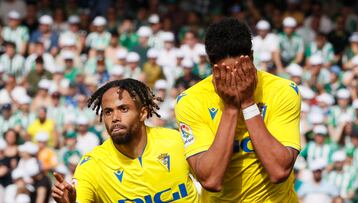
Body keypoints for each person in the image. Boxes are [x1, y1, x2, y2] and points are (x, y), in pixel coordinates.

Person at [174, 18, 301, 202]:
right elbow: (211, 180)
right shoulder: (190, 101)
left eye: (240, 70)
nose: (234, 81)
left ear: (251, 57)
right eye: (226, 73)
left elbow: (279, 171)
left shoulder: (283, 91)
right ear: (212, 66)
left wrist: (248, 103)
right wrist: (231, 108)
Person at [52, 79, 199, 203]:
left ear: (143, 113)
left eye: (123, 109)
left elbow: (213, 180)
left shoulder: (176, 141)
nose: (114, 118)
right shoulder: (92, 165)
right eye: (108, 112)